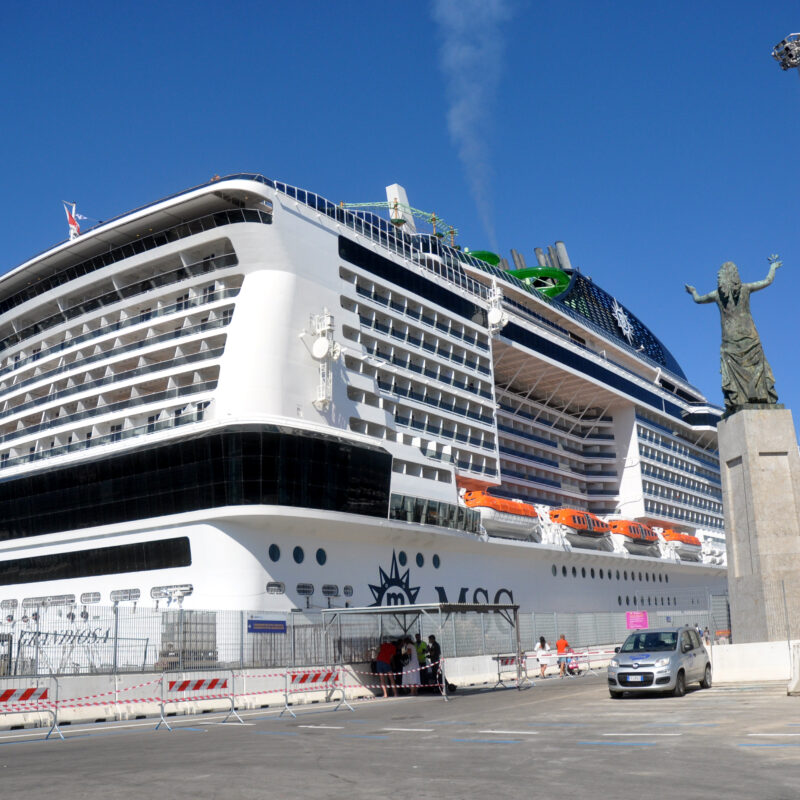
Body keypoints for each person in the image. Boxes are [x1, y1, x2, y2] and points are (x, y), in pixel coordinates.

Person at [685, 257, 781, 416]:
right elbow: (767, 281)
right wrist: (773, 267)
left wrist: (693, 291)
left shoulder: (717, 295)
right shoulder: (746, 288)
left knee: (734, 374)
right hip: (750, 336)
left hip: (729, 340)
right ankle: (761, 397)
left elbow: (698, 300)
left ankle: (737, 401)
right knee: (756, 368)